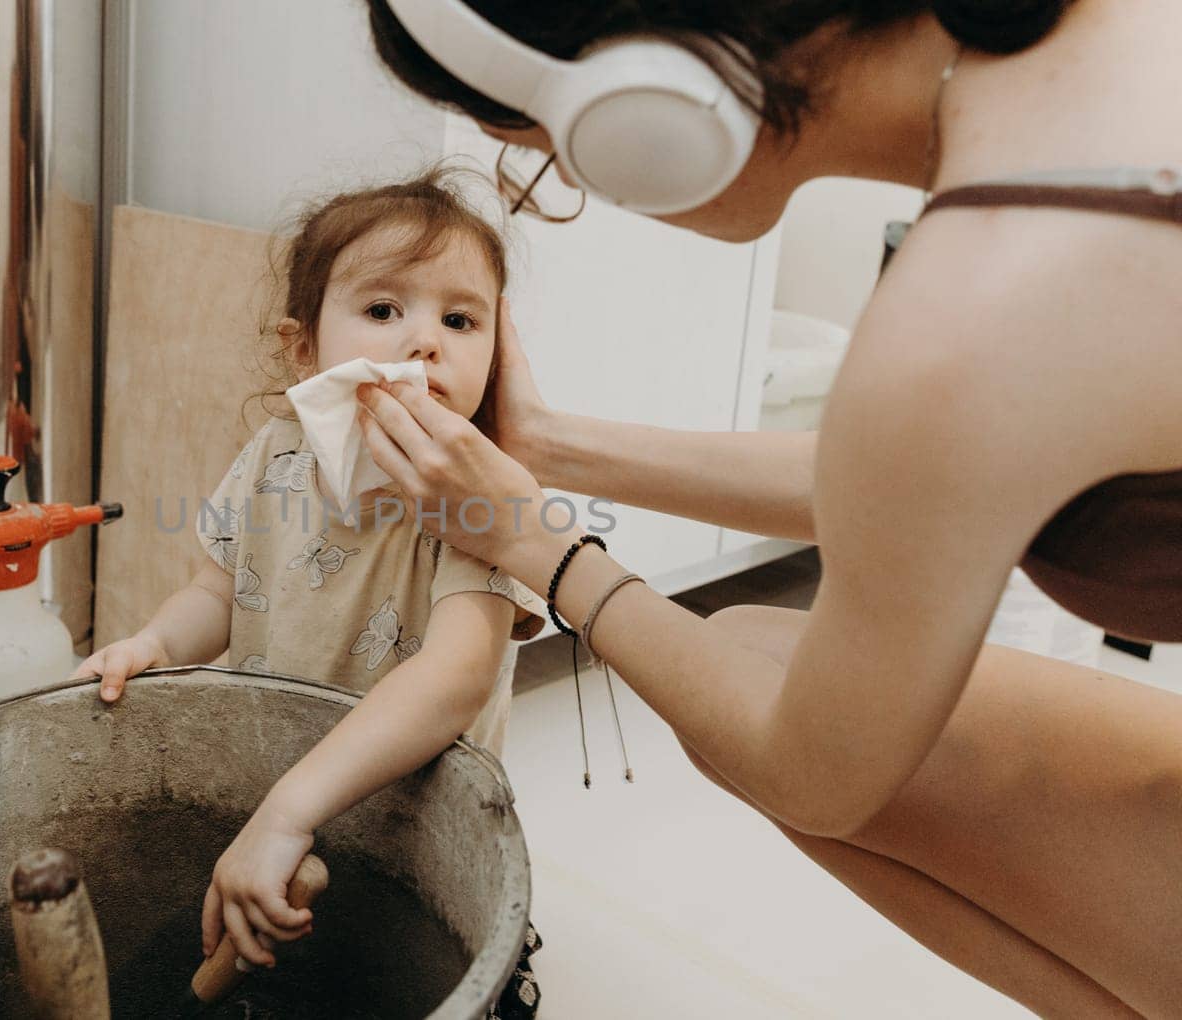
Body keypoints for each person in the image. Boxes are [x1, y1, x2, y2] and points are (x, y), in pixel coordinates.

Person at [355, 1, 1182, 1016]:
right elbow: (935, 483)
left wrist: (535, 543)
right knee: (747, 645)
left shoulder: (985, 299)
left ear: (640, 96)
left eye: (551, 152)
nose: (568, 183)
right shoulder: (1079, 80)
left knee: (759, 712)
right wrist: (554, 450)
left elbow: (815, 774)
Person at [73, 166, 549, 1017]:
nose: (425, 341)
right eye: (382, 311)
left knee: (385, 966)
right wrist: (155, 643)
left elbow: (459, 675)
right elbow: (219, 592)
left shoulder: (483, 494)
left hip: (413, 818)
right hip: (280, 783)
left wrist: (294, 808)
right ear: (305, 349)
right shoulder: (275, 453)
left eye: (460, 319)